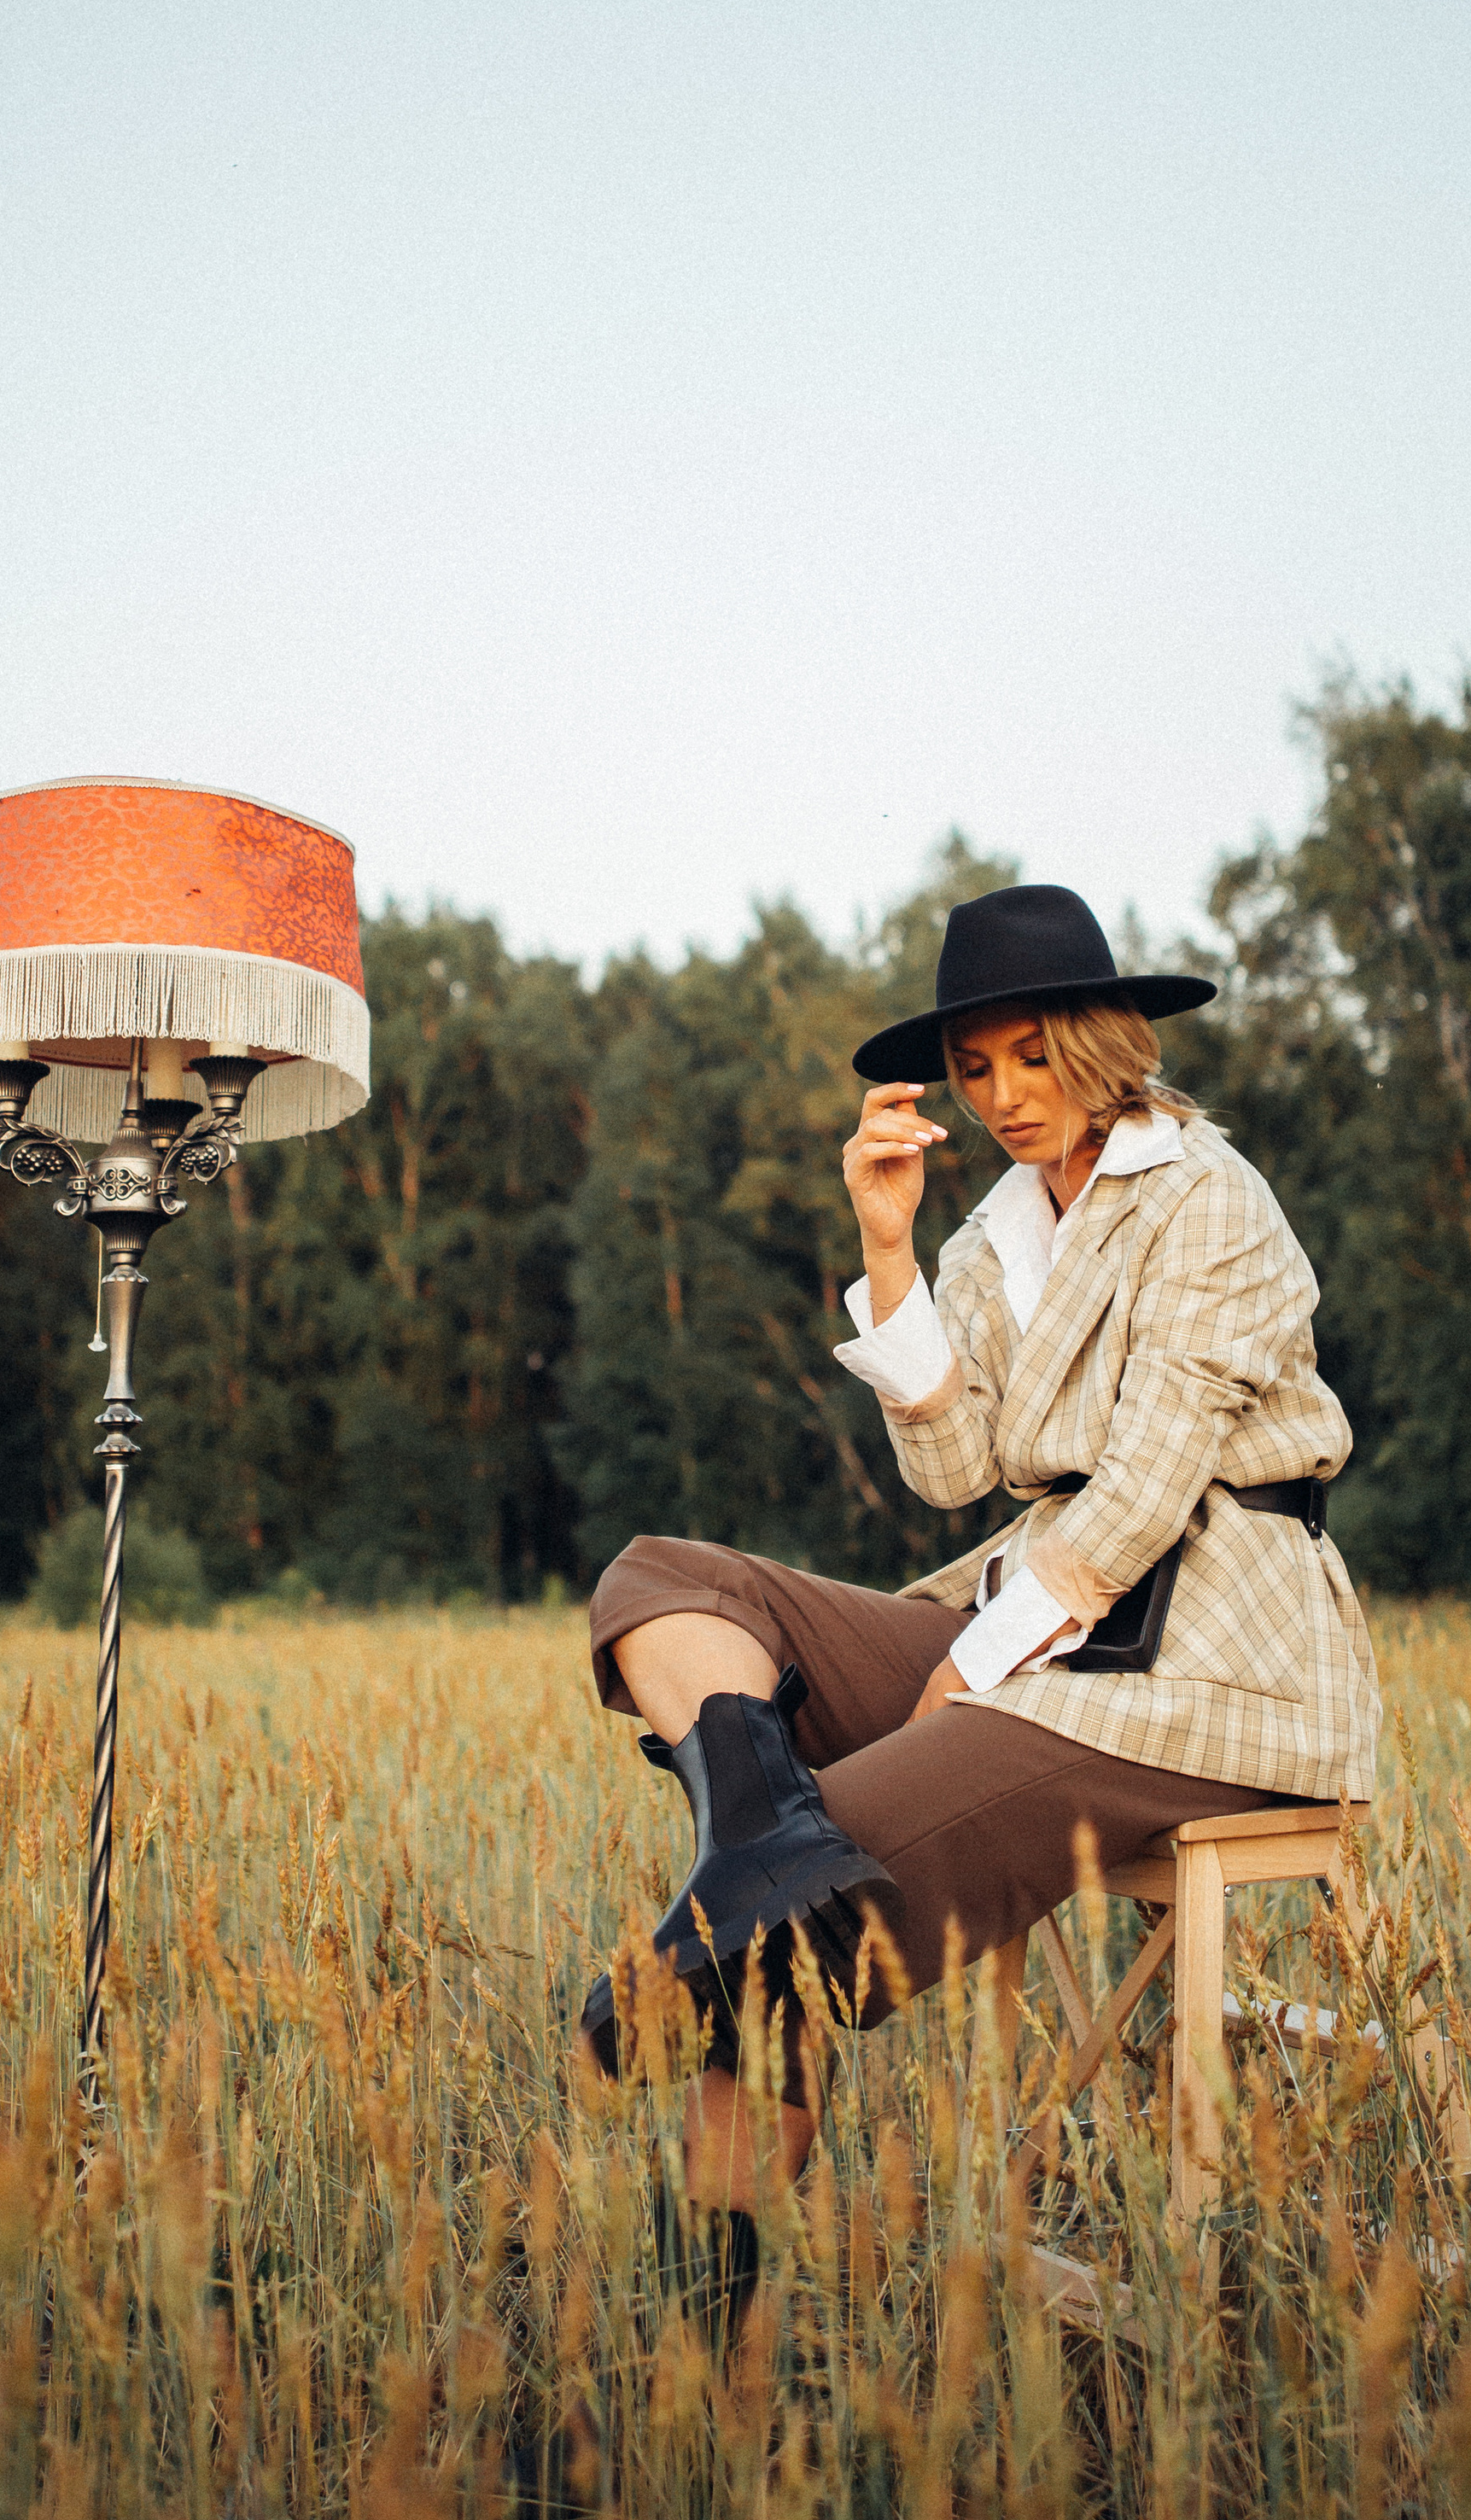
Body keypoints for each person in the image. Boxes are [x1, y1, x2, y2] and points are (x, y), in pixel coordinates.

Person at [578, 881, 1380, 2255]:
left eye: (1031, 1056)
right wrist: (888, 1246)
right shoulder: (996, 1232)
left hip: (1211, 1641)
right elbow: (952, 1471)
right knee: (664, 1584)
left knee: (796, 1932)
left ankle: (710, 2340)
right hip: (1033, 1596)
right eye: (974, 1069)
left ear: (1102, 1040)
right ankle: (759, 1842)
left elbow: (1144, 1490)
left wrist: (979, 1656)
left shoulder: (1207, 1197)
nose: (1005, 1096)